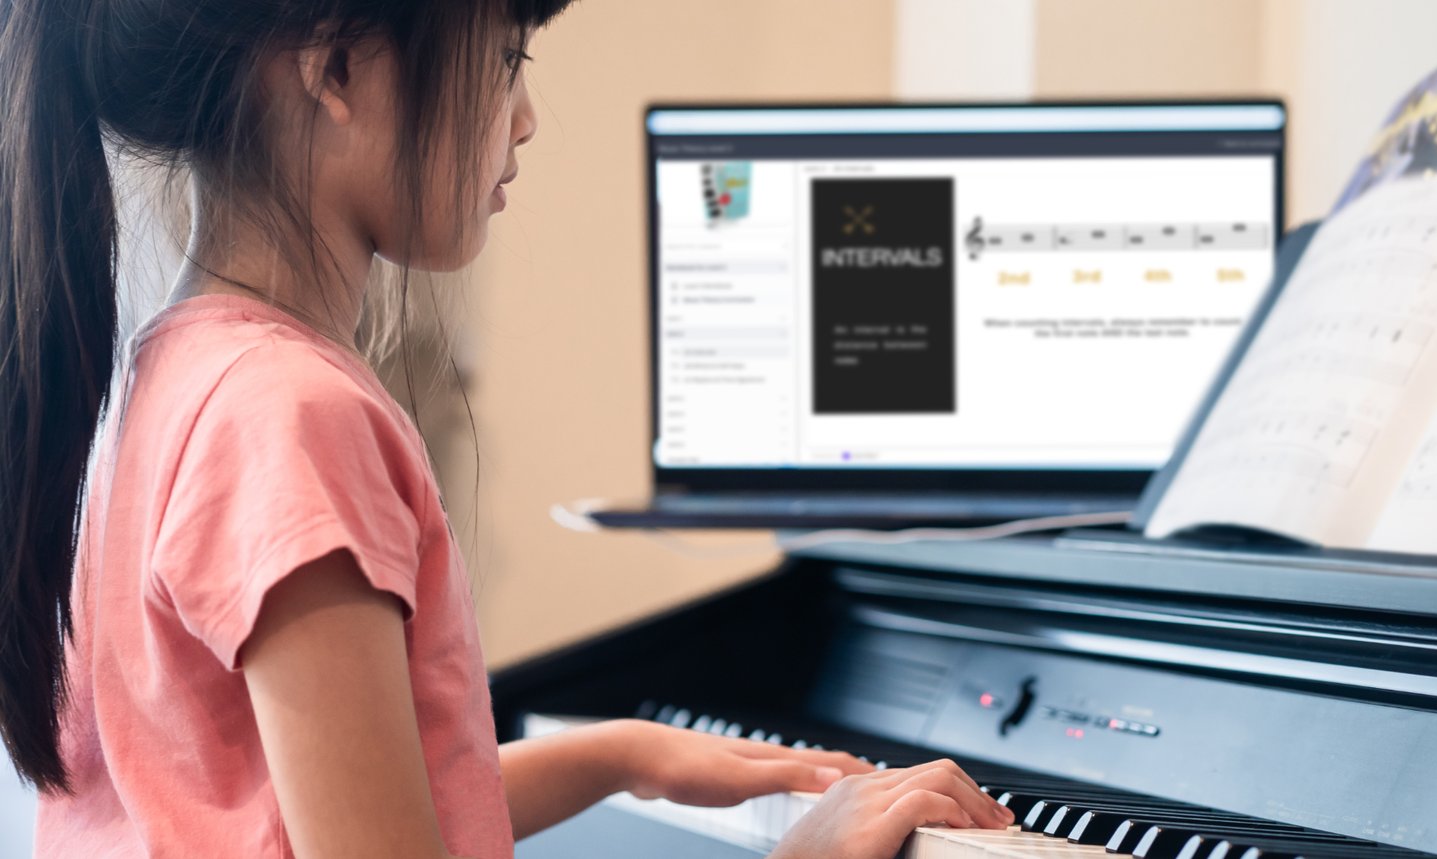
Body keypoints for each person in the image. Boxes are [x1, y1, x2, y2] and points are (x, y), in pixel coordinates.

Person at [0, 1, 1013, 856]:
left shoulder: (164, 370)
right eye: (503, 59)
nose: (524, 118)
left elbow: (272, 806)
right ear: (340, 68)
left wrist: (620, 752)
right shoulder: (293, 416)